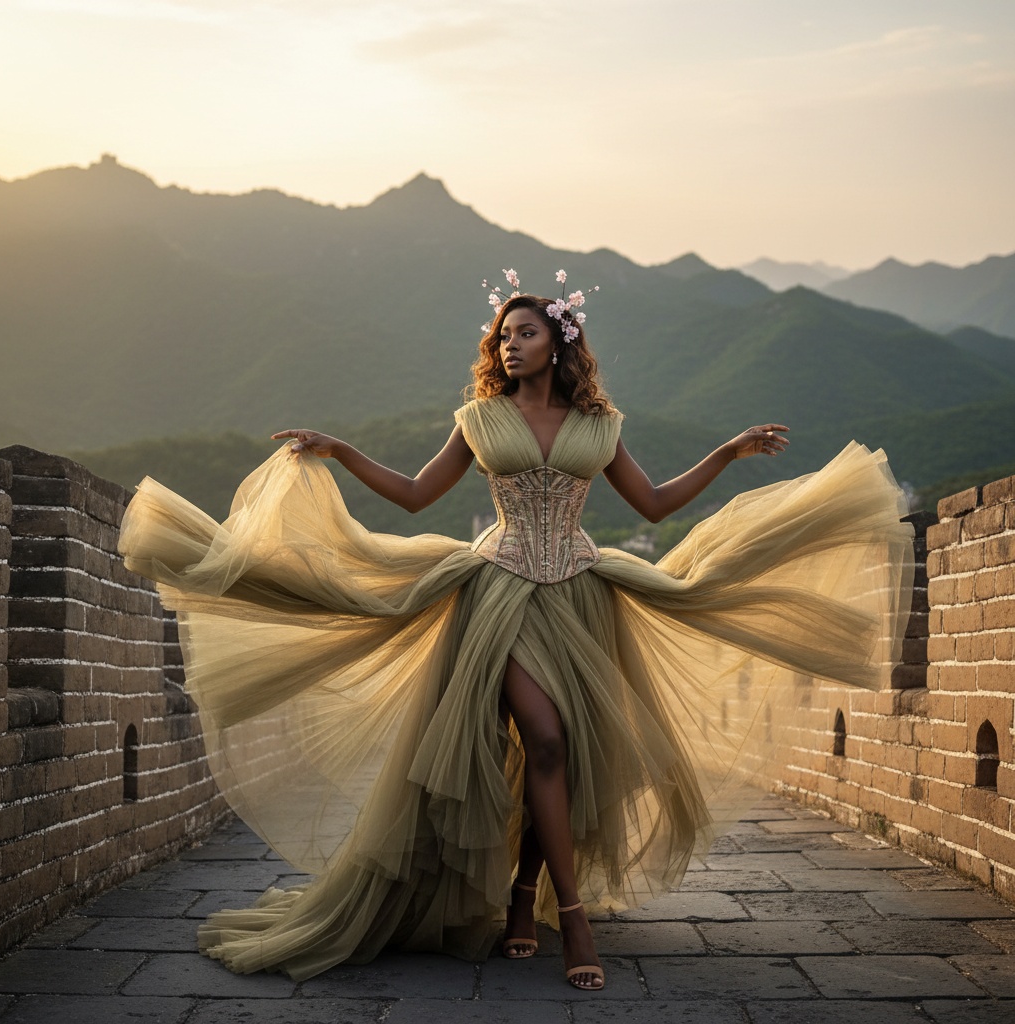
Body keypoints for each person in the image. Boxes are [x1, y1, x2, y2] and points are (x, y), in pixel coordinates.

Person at [119, 269, 913, 991]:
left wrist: (728, 452)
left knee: (554, 749)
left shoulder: (598, 424)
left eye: (526, 331)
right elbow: (417, 494)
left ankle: (526, 892)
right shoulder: (480, 417)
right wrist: (342, 450)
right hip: (496, 591)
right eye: (503, 335)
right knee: (546, 737)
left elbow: (656, 505)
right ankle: (575, 918)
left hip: (579, 594)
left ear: (560, 342)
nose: (510, 343)